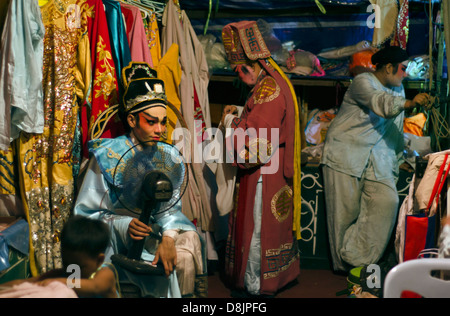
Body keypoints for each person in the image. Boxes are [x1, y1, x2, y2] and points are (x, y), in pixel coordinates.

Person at [74, 61, 206, 298]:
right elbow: (86, 215)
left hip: (156, 234)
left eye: (164, 122)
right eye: (151, 121)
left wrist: (167, 237)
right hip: (120, 241)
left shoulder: (167, 157)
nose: (160, 130)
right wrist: (124, 226)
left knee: (189, 242)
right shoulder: (108, 156)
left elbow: (171, 210)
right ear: (132, 121)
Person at [320, 46, 430, 273]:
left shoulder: (397, 89)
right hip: (345, 154)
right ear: (388, 67)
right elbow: (381, 103)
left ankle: (359, 259)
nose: (404, 74)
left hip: (377, 156)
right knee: (344, 215)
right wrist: (410, 104)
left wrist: (398, 157)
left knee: (386, 202)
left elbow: (395, 127)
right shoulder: (363, 82)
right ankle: (345, 269)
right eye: (402, 69)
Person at [220, 21, 302, 297]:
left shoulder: (268, 90)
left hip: (263, 174)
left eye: (239, 70)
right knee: (266, 226)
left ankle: (255, 284)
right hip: (274, 169)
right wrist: (243, 110)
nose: (239, 76)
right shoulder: (273, 81)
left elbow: (255, 146)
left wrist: (231, 122)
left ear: (251, 64)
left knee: (258, 228)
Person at [0, 215, 118, 298]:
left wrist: (56, 281)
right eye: (66, 264)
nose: (72, 270)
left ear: (99, 260)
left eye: (79, 267)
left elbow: (94, 287)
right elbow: (28, 282)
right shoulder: (64, 274)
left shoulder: (104, 275)